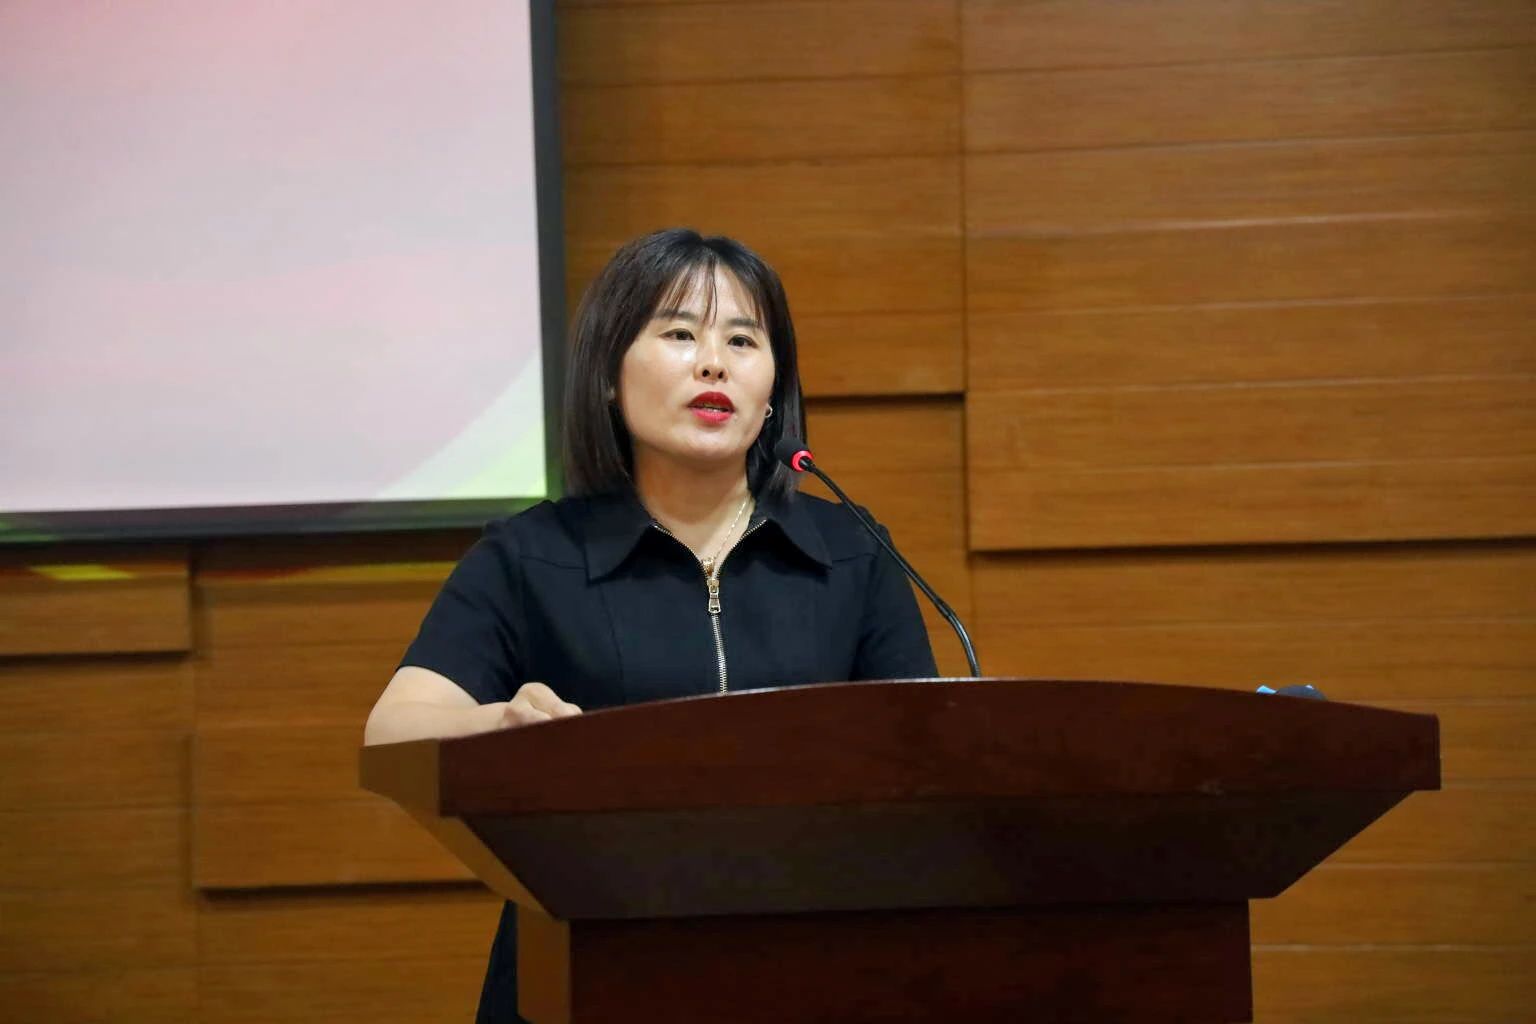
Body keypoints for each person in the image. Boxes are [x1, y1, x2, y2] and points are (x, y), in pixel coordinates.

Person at [364, 228, 937, 1021]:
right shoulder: (532, 556)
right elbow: (393, 730)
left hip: (810, 966)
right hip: (587, 970)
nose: (715, 364)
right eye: (679, 334)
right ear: (609, 374)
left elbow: (931, 752)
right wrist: (499, 725)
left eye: (743, 340)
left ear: (773, 389)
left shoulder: (852, 552)